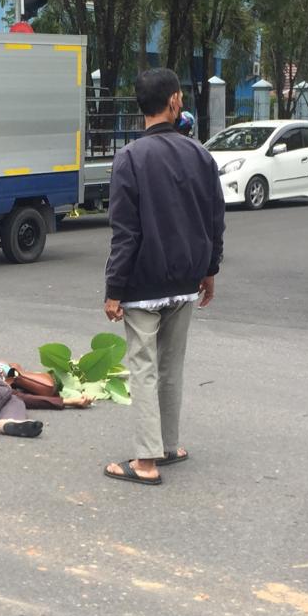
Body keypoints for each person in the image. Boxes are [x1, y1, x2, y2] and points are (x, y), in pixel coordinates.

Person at [102, 68, 224, 486]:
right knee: (172, 366)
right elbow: (214, 220)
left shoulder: (130, 158)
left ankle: (146, 462)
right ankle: (169, 446)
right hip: (186, 281)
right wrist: (210, 270)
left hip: (143, 285)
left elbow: (125, 232)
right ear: (174, 101)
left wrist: (114, 290)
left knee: (143, 367)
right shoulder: (200, 155)